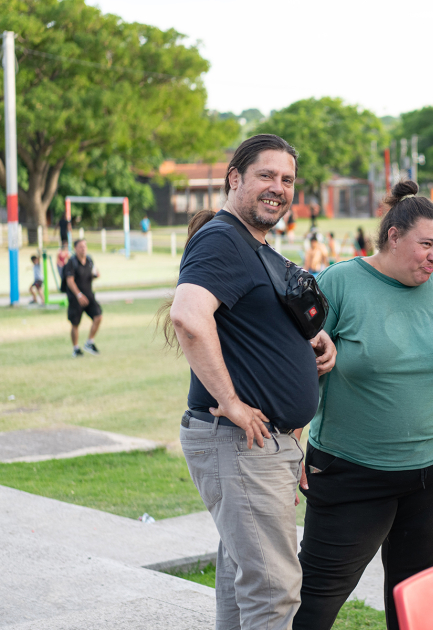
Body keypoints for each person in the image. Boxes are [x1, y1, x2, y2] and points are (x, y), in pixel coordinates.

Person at [294, 180, 433, 630]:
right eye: (425, 244)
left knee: (416, 598)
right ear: (393, 236)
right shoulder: (340, 282)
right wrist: (294, 447)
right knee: (315, 597)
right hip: (354, 472)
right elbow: (298, 365)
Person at [167, 134, 337, 630]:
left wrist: (315, 339)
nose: (278, 188)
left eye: (287, 179)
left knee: (244, 584)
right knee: (273, 591)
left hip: (264, 447)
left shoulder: (254, 245)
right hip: (240, 440)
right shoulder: (223, 237)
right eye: (266, 175)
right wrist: (233, 403)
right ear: (234, 178)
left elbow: (256, 320)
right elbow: (189, 317)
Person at [62, 239, 102, 357]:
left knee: (98, 317)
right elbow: (70, 281)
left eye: (85, 246)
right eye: (80, 246)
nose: (83, 248)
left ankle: (89, 342)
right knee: (75, 324)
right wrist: (79, 295)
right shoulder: (71, 262)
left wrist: (96, 276)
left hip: (89, 295)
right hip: (76, 298)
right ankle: (76, 349)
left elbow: (90, 275)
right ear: (75, 249)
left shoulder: (89, 260)